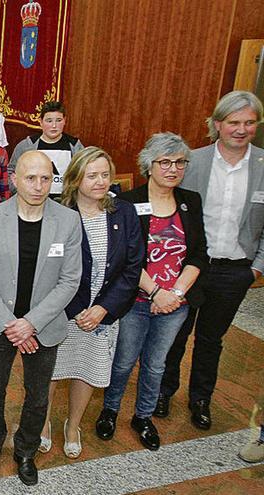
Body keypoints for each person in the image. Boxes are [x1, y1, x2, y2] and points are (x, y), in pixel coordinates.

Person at [0, 151, 82, 486]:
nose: (37, 186)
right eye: (30, 178)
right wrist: (12, 325)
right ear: (14, 178)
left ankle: (26, 450)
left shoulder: (67, 220)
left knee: (37, 394)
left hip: (43, 326)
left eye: (45, 178)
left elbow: (70, 280)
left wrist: (30, 323)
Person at [158, 91, 264, 430]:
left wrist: (256, 268)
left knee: (210, 339)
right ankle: (162, 392)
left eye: (249, 123)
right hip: (189, 268)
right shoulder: (192, 162)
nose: (241, 129)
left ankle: (200, 399)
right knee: (174, 334)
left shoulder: (263, 166)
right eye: (234, 122)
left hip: (235, 271)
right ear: (218, 124)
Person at [96, 132, 206, 452]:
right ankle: (110, 410)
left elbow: (199, 254)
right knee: (123, 361)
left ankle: (143, 416)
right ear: (149, 164)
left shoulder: (191, 201)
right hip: (136, 299)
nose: (173, 169)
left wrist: (175, 294)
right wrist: (156, 291)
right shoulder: (128, 203)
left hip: (176, 302)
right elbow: (126, 257)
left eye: (180, 162)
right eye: (165, 162)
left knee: (157, 363)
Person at [40, 147, 144, 459]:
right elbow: (48, 268)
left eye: (105, 175)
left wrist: (103, 309)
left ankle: (73, 425)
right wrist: (75, 310)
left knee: (87, 370)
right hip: (62, 311)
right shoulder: (57, 214)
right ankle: (43, 423)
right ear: (75, 178)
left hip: (103, 315)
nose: (100, 181)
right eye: (92, 175)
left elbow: (132, 267)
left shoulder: (123, 213)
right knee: (52, 371)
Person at [9, 101, 84, 197]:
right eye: (49, 121)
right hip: (34, 202)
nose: (54, 125)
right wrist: (22, 193)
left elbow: (84, 173)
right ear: (41, 121)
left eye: (58, 120)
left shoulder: (75, 145)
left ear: (65, 120)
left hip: (66, 203)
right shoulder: (27, 145)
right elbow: (11, 172)